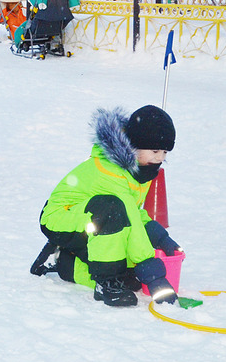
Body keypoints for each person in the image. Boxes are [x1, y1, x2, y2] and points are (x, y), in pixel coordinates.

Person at [31, 105, 181, 307]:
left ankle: (65, 262)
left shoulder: (139, 169)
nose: (160, 158)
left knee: (131, 278)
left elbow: (133, 213)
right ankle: (107, 284)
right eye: (155, 150)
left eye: (165, 152)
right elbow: (125, 213)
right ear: (134, 146)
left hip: (89, 218)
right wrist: (151, 271)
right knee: (111, 210)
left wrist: (160, 237)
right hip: (60, 217)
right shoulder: (111, 171)